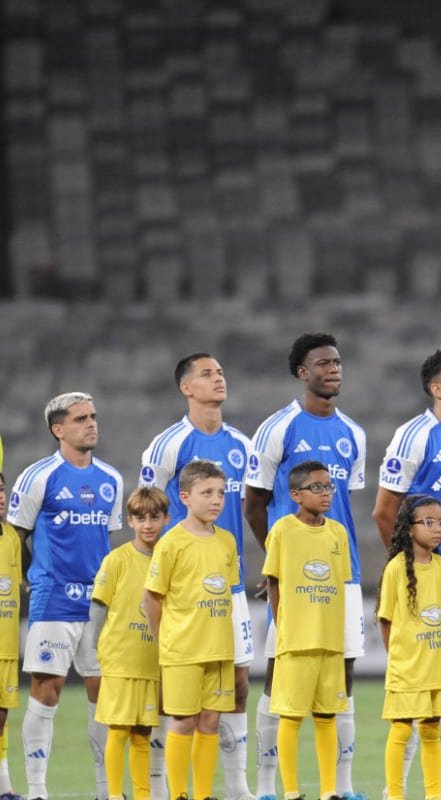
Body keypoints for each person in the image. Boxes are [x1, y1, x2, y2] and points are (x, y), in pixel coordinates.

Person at [245, 332, 367, 800]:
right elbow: (254, 504)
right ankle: (267, 787)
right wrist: (282, 559)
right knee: (280, 673)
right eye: (323, 363)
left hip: (345, 572)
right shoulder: (278, 428)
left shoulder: (353, 433)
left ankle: (342, 786)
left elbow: (344, 508)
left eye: (337, 361)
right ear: (303, 372)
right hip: (297, 581)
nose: (334, 369)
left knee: (345, 670)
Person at [140, 353, 255, 800]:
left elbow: (250, 506)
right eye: (207, 373)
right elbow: (148, 508)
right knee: (180, 707)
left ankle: (236, 786)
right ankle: (168, 788)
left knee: (237, 686)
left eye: (221, 371)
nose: (218, 377)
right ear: (186, 387)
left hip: (229, 583)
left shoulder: (242, 446)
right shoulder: (167, 444)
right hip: (185, 587)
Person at [372, 347, 441, 799]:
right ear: (438, 389)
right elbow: (385, 512)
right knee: (417, 688)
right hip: (427, 583)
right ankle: (394, 790)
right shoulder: (414, 436)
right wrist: (413, 570)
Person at [9, 392, 124, 800]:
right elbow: (14, 537)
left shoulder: (112, 479)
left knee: (103, 695)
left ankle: (105, 790)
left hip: (98, 606)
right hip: (53, 600)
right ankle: (38, 790)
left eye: (93, 416)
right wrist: (30, 579)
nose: (91, 423)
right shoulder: (39, 476)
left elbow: (105, 543)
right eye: (80, 419)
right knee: (47, 689)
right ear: (59, 429)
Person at [143, 460, 239, 800]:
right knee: (183, 721)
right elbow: (151, 598)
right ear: (185, 496)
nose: (216, 500)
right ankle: (178, 794)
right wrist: (164, 639)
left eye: (221, 493)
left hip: (219, 647)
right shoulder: (172, 543)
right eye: (207, 493)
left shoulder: (227, 541)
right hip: (183, 649)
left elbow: (223, 591)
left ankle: (202, 794)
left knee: (211, 720)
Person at [263, 462, 352, 800]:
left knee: (327, 715)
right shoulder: (283, 530)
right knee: (291, 715)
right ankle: (291, 792)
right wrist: (284, 624)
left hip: (329, 640)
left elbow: (337, 583)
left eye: (328, 486)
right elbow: (274, 582)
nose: (326, 492)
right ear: (296, 495)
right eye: (317, 487)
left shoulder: (338, 533)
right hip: (296, 640)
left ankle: (329, 791)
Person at [379, 494, 441, 800]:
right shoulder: (397, 568)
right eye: (428, 522)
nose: (437, 529)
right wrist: (399, 659)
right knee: (401, 729)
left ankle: (434, 794)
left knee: (431, 729)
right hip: (408, 667)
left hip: (436, 666)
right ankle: (396, 794)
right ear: (410, 528)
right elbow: (385, 620)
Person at [91, 487, 169, 800]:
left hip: (151, 661)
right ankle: (113, 795)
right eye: (140, 517)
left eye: (154, 517)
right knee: (119, 729)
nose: (147, 524)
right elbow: (98, 607)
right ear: (130, 520)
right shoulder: (117, 560)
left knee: (143, 732)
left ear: (166, 518)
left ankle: (141, 794)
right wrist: (92, 650)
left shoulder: (169, 558)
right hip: (120, 659)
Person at [0, 471, 23, 800]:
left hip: (5, 645)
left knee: (2, 716)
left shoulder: (11, 537)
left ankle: (4, 787)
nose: (1, 496)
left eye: (2, 490)